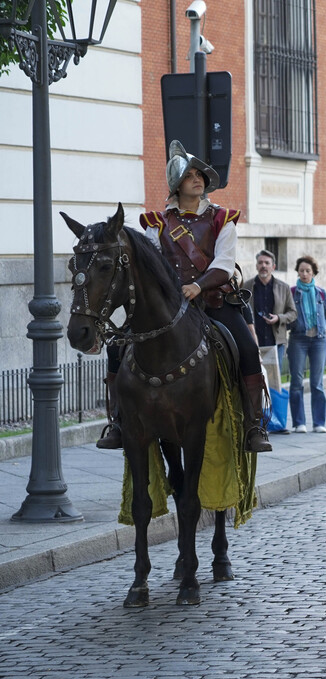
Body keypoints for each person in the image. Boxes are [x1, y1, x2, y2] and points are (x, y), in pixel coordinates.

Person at [97, 140, 272, 452]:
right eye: (190, 174)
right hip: (168, 305)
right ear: (177, 185)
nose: (198, 178)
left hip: (213, 301)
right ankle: (118, 422)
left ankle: (254, 425)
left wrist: (198, 286)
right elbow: (149, 262)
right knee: (117, 348)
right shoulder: (157, 222)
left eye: (201, 174)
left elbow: (224, 263)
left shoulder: (222, 218)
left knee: (247, 348)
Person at [288, 255, 326, 433]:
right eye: (302, 271)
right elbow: (288, 312)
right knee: (296, 381)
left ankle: (319, 423)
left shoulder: (321, 292)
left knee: (317, 383)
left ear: (314, 272)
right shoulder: (292, 292)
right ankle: (299, 423)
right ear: (297, 272)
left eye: (308, 271)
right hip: (298, 339)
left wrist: (325, 326)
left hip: (319, 340)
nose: (305, 274)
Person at [252, 249, 298, 406]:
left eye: (267, 263)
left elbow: (293, 313)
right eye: (260, 263)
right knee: (255, 380)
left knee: (274, 381)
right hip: (254, 342)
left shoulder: (283, 287)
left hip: (275, 341)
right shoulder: (247, 286)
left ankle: (276, 419)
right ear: (256, 266)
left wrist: (279, 318)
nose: (263, 266)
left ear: (273, 266)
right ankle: (259, 418)